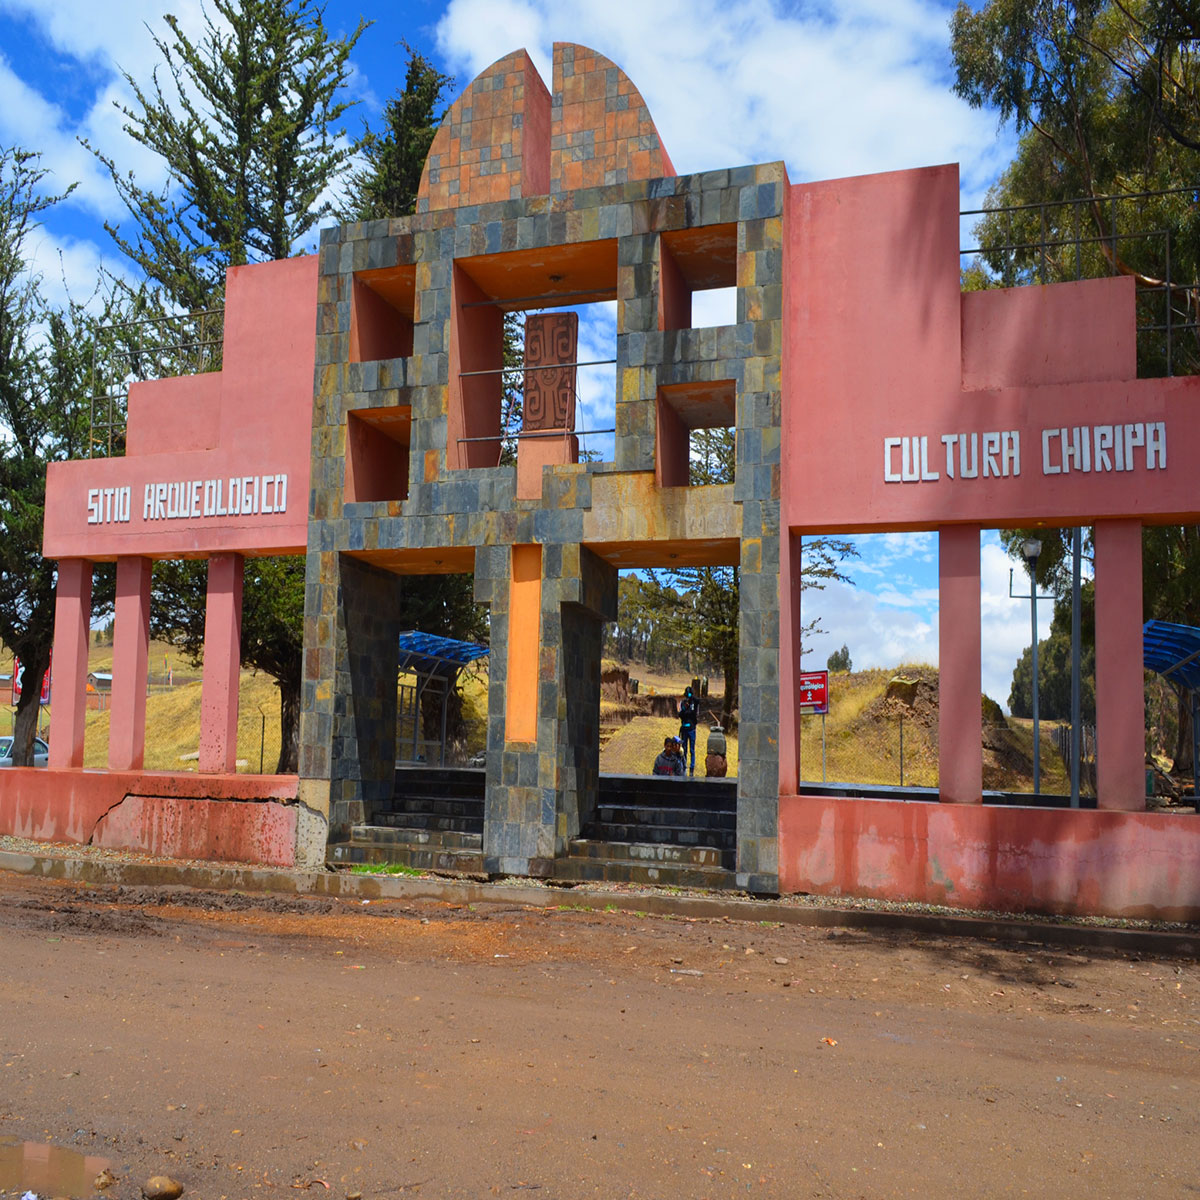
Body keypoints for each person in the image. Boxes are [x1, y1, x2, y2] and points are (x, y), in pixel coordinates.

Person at [677, 686, 699, 776]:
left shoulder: (694, 702)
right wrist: (685, 708)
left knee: (692, 750)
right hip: (684, 729)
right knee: (684, 749)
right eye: (687, 695)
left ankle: (692, 768)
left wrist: (691, 700)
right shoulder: (683, 703)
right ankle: (684, 766)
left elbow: (693, 714)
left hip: (692, 729)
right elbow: (681, 714)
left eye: (689, 695)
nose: (688, 697)